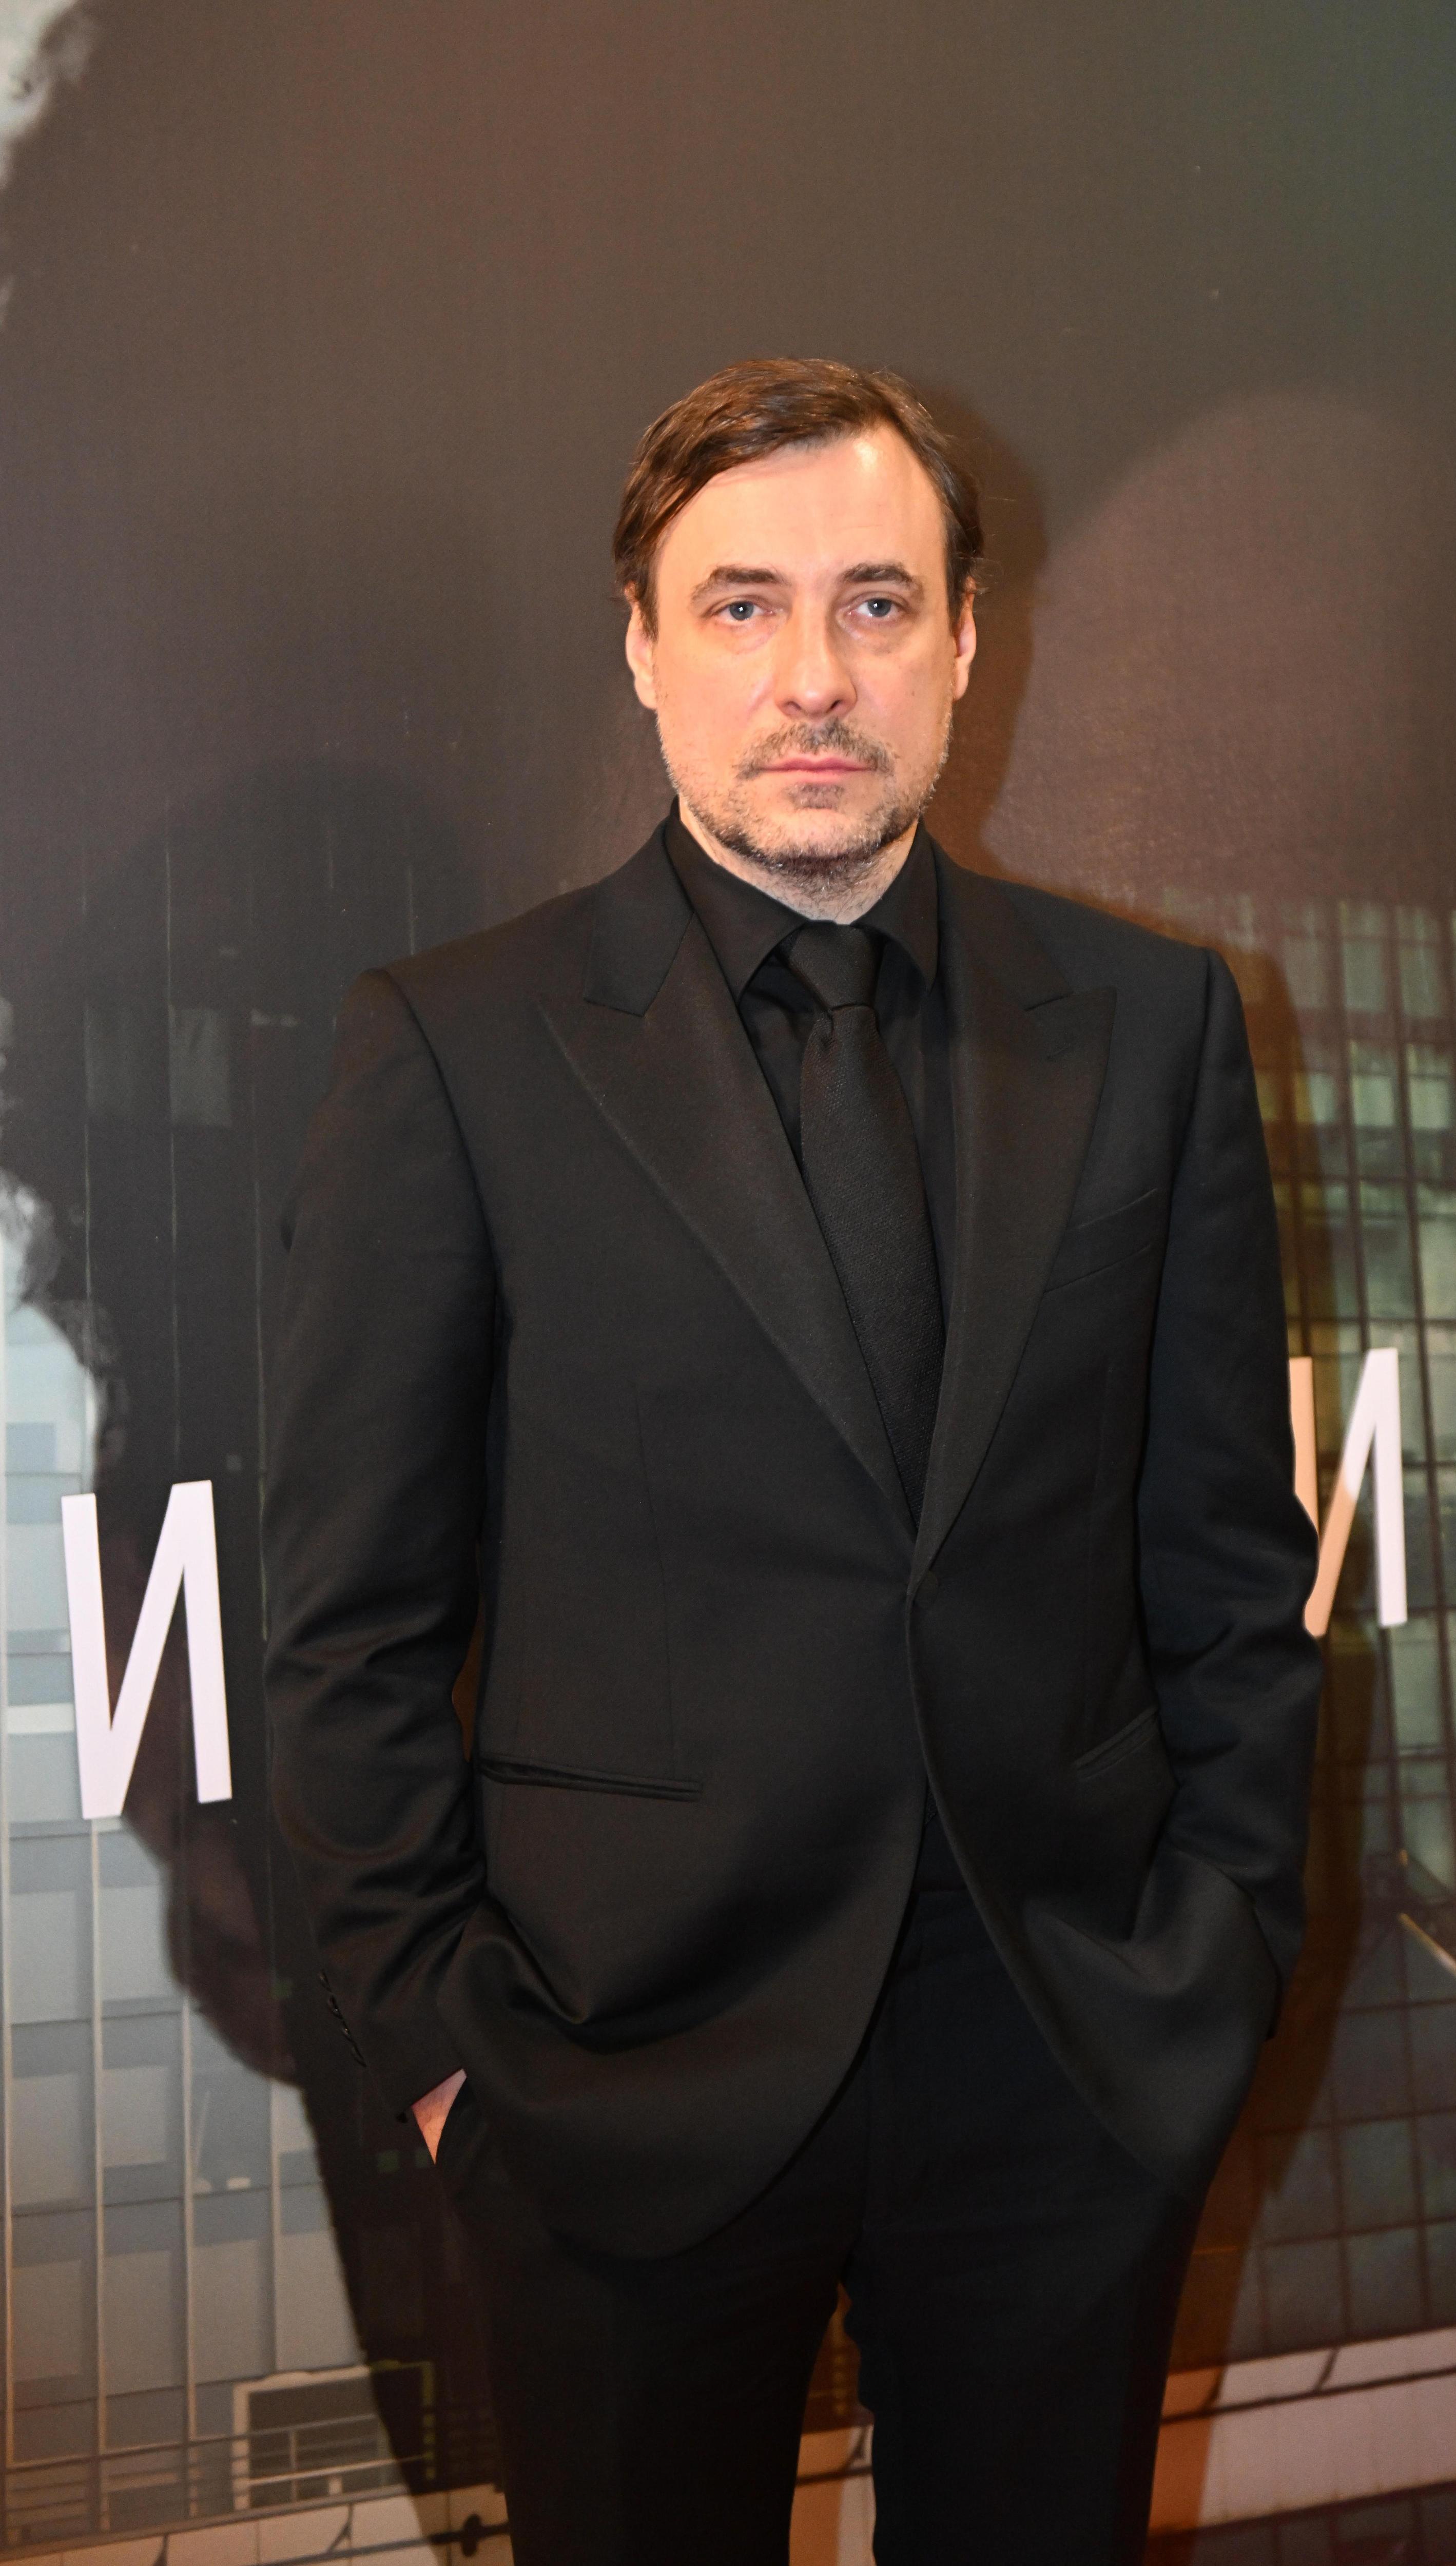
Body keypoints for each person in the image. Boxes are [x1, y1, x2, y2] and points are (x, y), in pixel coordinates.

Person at [264, 357, 1321, 2565]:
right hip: (613, 2083)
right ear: (644, 648)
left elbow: (1228, 1565)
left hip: (1062, 2066)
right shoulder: (455, 1048)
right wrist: (456, 2058)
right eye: (741, 605)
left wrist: (1208, 1960)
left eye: (875, 603)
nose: (814, 676)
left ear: (965, 643)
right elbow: (352, 1627)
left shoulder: (1151, 1027)